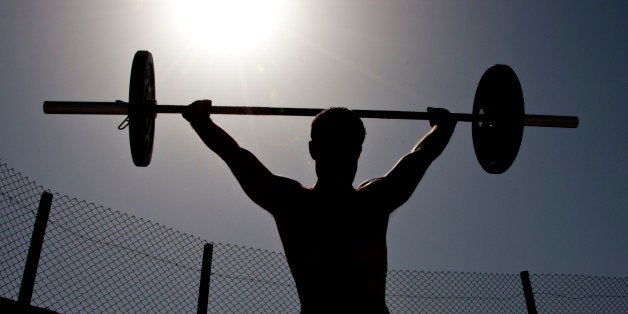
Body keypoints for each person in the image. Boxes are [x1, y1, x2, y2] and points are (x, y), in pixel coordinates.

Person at [183, 100, 456, 313]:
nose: (339, 154)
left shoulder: (292, 202)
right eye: (334, 146)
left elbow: (236, 156)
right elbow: (421, 155)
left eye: (343, 147)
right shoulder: (374, 200)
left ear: (313, 149)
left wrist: (201, 122)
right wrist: (442, 127)